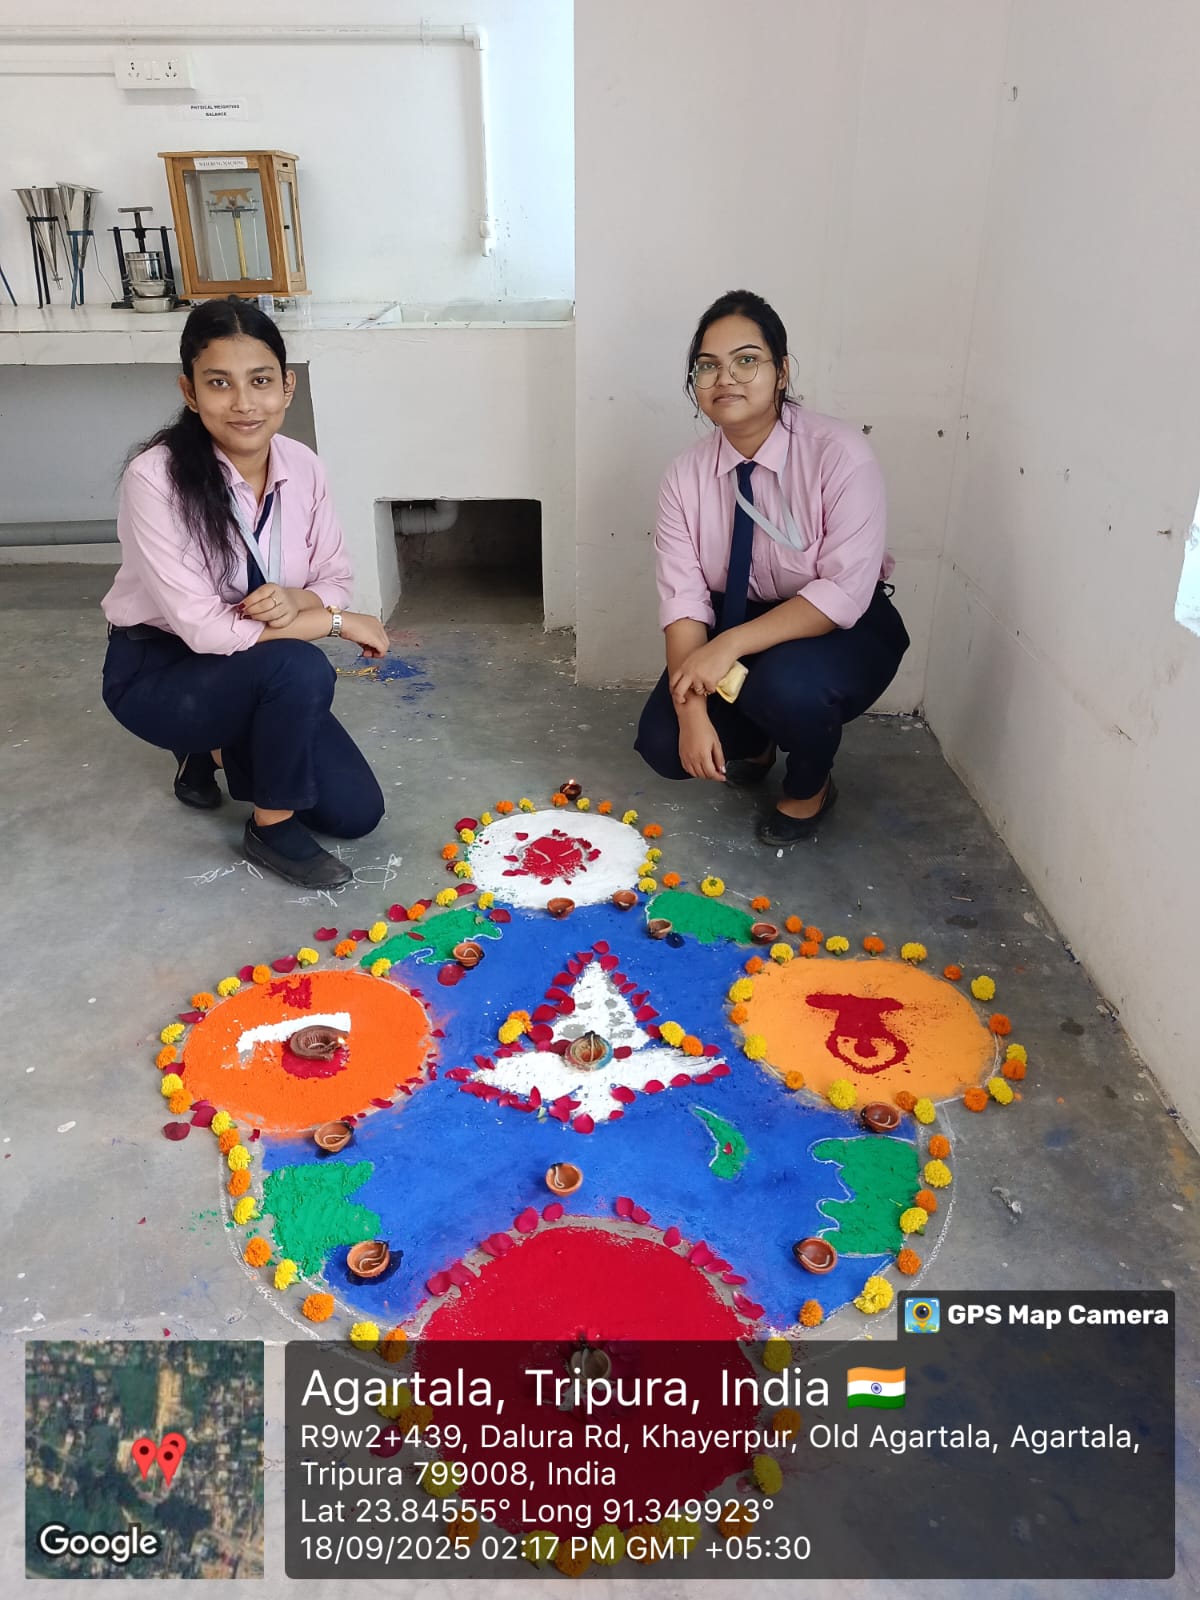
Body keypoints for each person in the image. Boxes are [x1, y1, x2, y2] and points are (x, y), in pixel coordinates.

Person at [101, 298, 388, 888]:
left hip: (251, 667)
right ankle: (270, 828)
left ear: (286, 386)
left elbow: (334, 578)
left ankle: (209, 751)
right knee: (299, 667)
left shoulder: (302, 465)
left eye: (260, 381)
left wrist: (296, 599)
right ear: (189, 391)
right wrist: (337, 622)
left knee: (356, 814)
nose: (243, 403)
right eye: (218, 383)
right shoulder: (155, 478)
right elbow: (206, 630)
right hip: (161, 670)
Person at [635, 289, 910, 844]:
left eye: (746, 360)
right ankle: (758, 741)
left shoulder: (840, 454)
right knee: (664, 743)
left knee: (786, 688)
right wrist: (691, 714)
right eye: (707, 366)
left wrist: (728, 646)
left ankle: (810, 787)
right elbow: (684, 601)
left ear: (781, 372)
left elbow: (843, 593)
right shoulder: (684, 476)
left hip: (839, 626)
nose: (725, 379)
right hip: (735, 617)